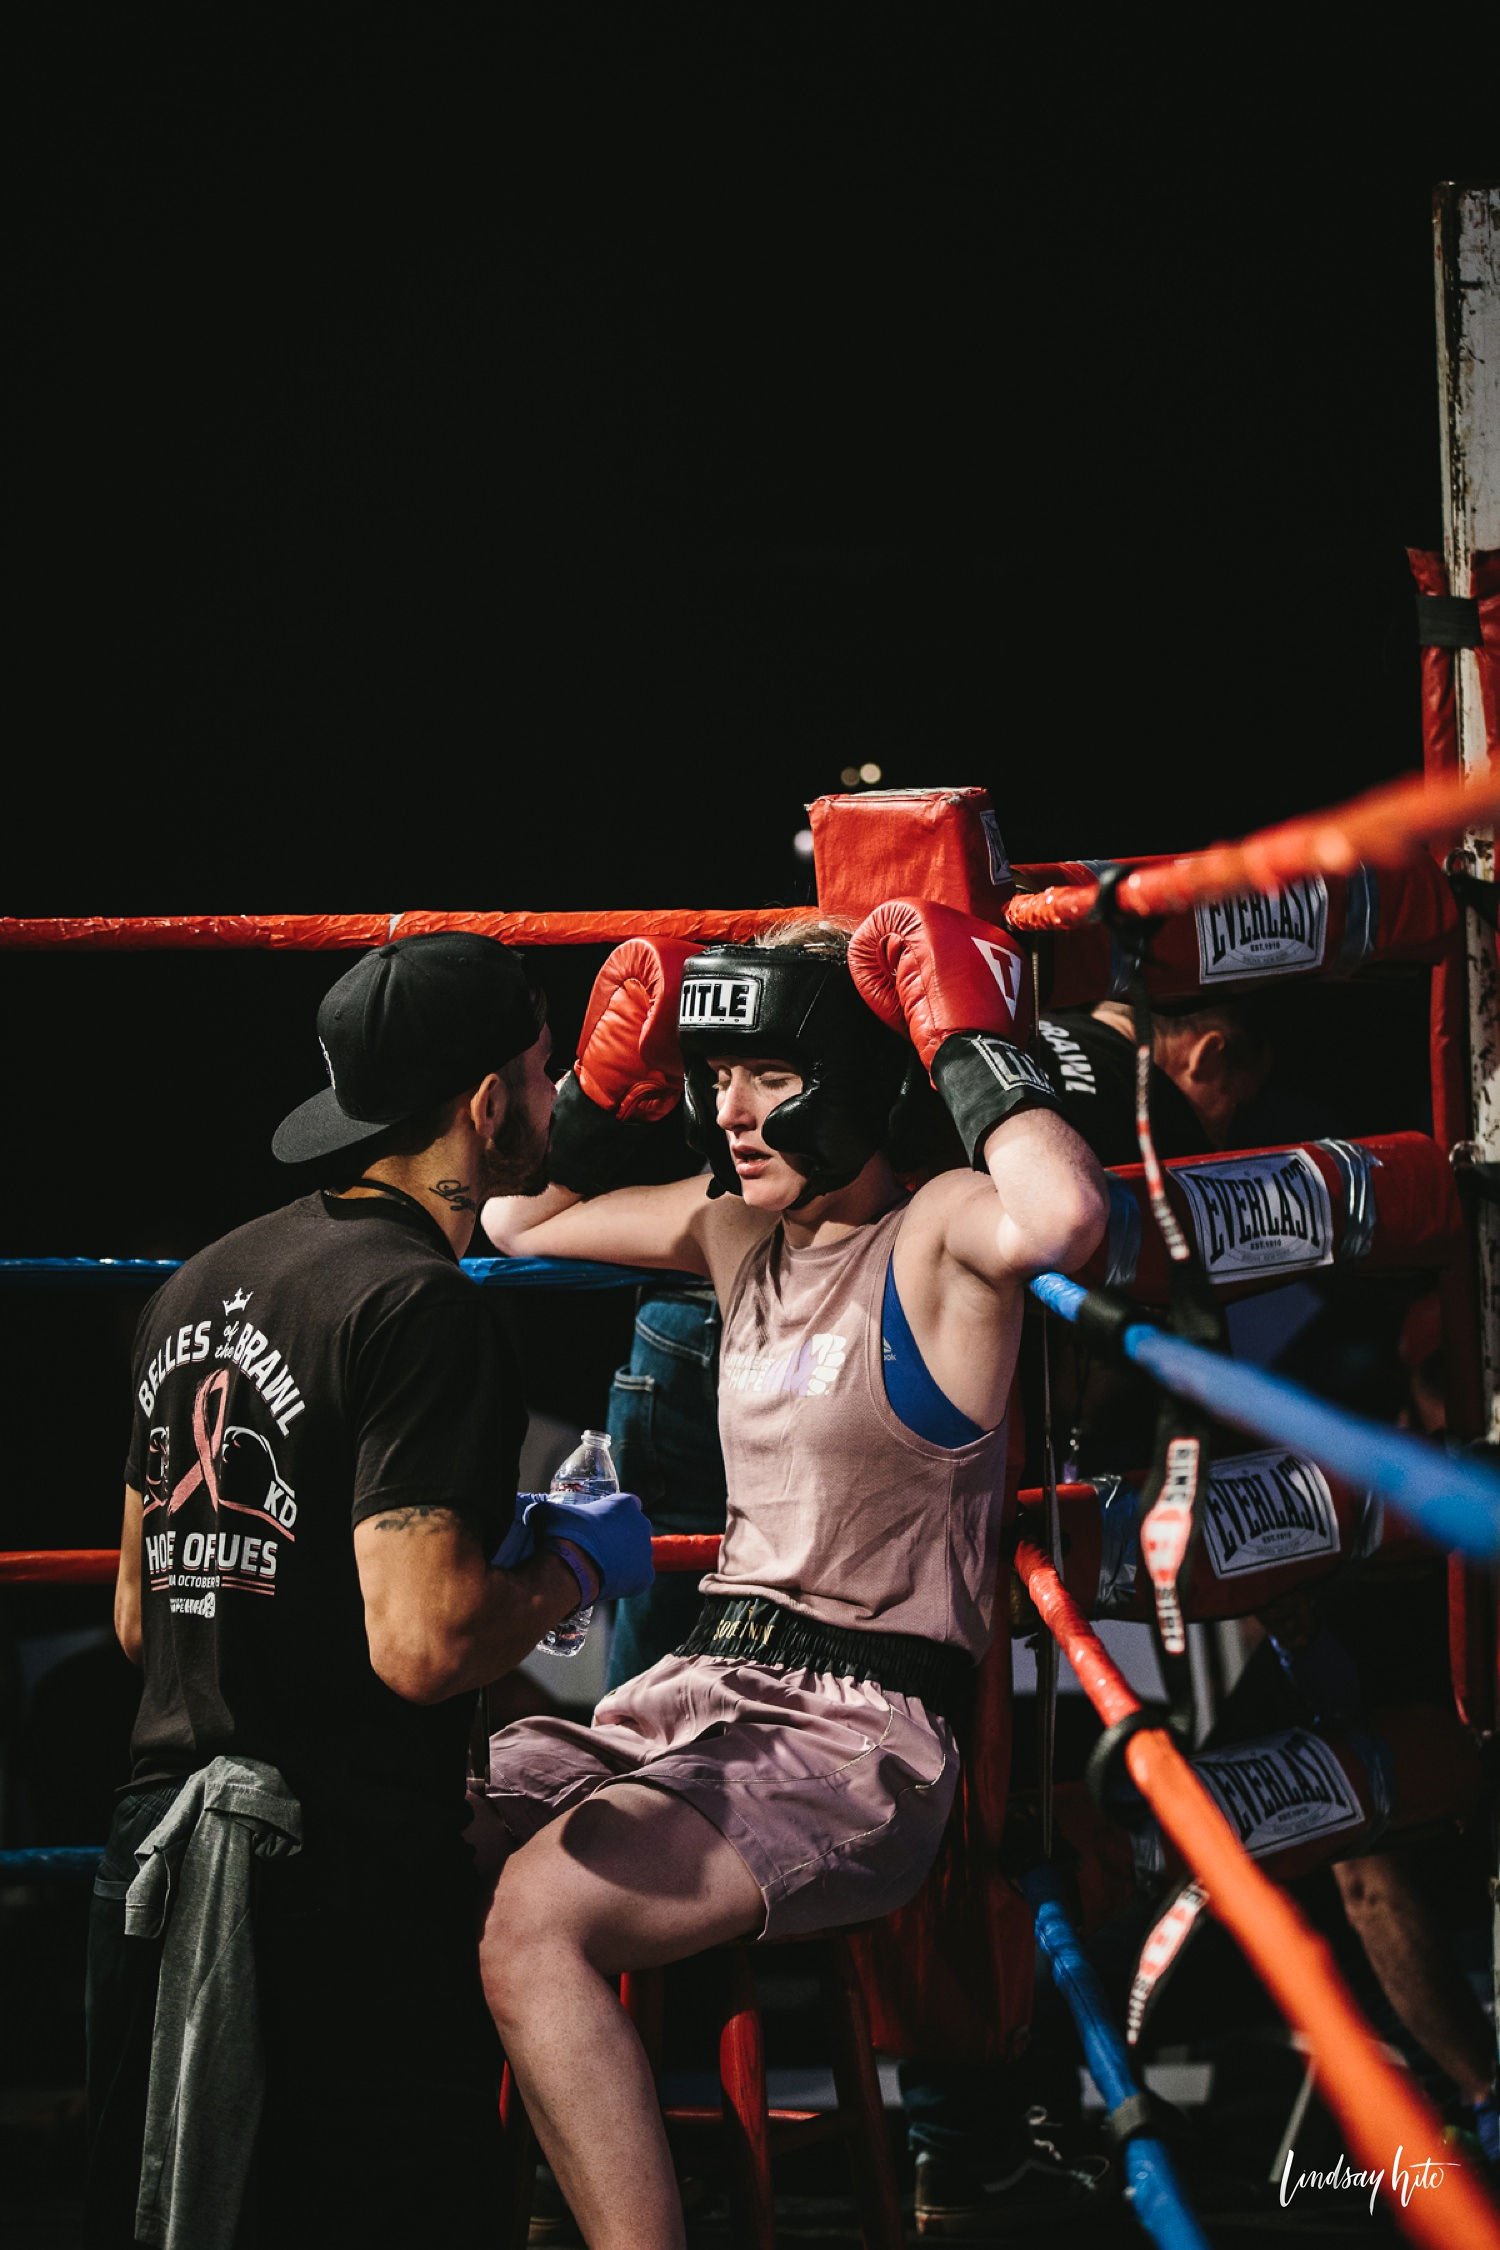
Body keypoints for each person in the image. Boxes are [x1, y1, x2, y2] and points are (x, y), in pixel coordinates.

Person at [471, 900, 1111, 2250]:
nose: (738, 1112)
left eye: (772, 1074)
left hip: (853, 1743)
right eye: (716, 1079)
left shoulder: (937, 1233)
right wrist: (596, 1091)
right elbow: (519, 1216)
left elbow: (1061, 1218)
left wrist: (966, 1037)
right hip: (698, 1702)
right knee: (413, 1812)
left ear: (865, 1080)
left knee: (539, 1913)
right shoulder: (732, 1238)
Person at [84, 931, 656, 2250]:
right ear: (486, 1102)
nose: (555, 1092)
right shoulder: (422, 1307)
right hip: (332, 1896)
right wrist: (578, 1557)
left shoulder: (196, 1285)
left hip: (153, 1870)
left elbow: (136, 1612)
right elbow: (423, 1638)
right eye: (538, 1067)